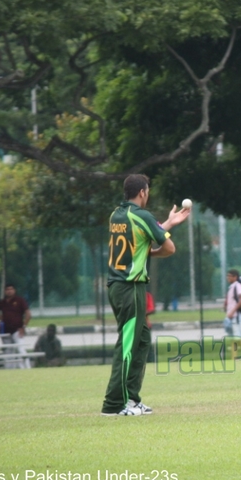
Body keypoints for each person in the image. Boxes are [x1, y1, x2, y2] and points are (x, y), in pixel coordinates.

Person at [102, 174, 190, 416]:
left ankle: (131, 399)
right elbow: (169, 248)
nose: (148, 194)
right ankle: (113, 405)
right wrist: (149, 253)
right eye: (147, 190)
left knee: (141, 341)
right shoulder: (142, 216)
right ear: (142, 192)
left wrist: (169, 223)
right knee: (128, 345)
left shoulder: (116, 214)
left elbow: (140, 237)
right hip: (130, 287)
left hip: (118, 286)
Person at [223, 269, 241, 338]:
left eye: (229, 276)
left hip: (236, 316)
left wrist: (233, 311)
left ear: (235, 277)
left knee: (238, 336)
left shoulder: (237, 286)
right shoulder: (231, 287)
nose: (228, 277)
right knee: (231, 337)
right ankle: (235, 349)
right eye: (227, 276)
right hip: (231, 316)